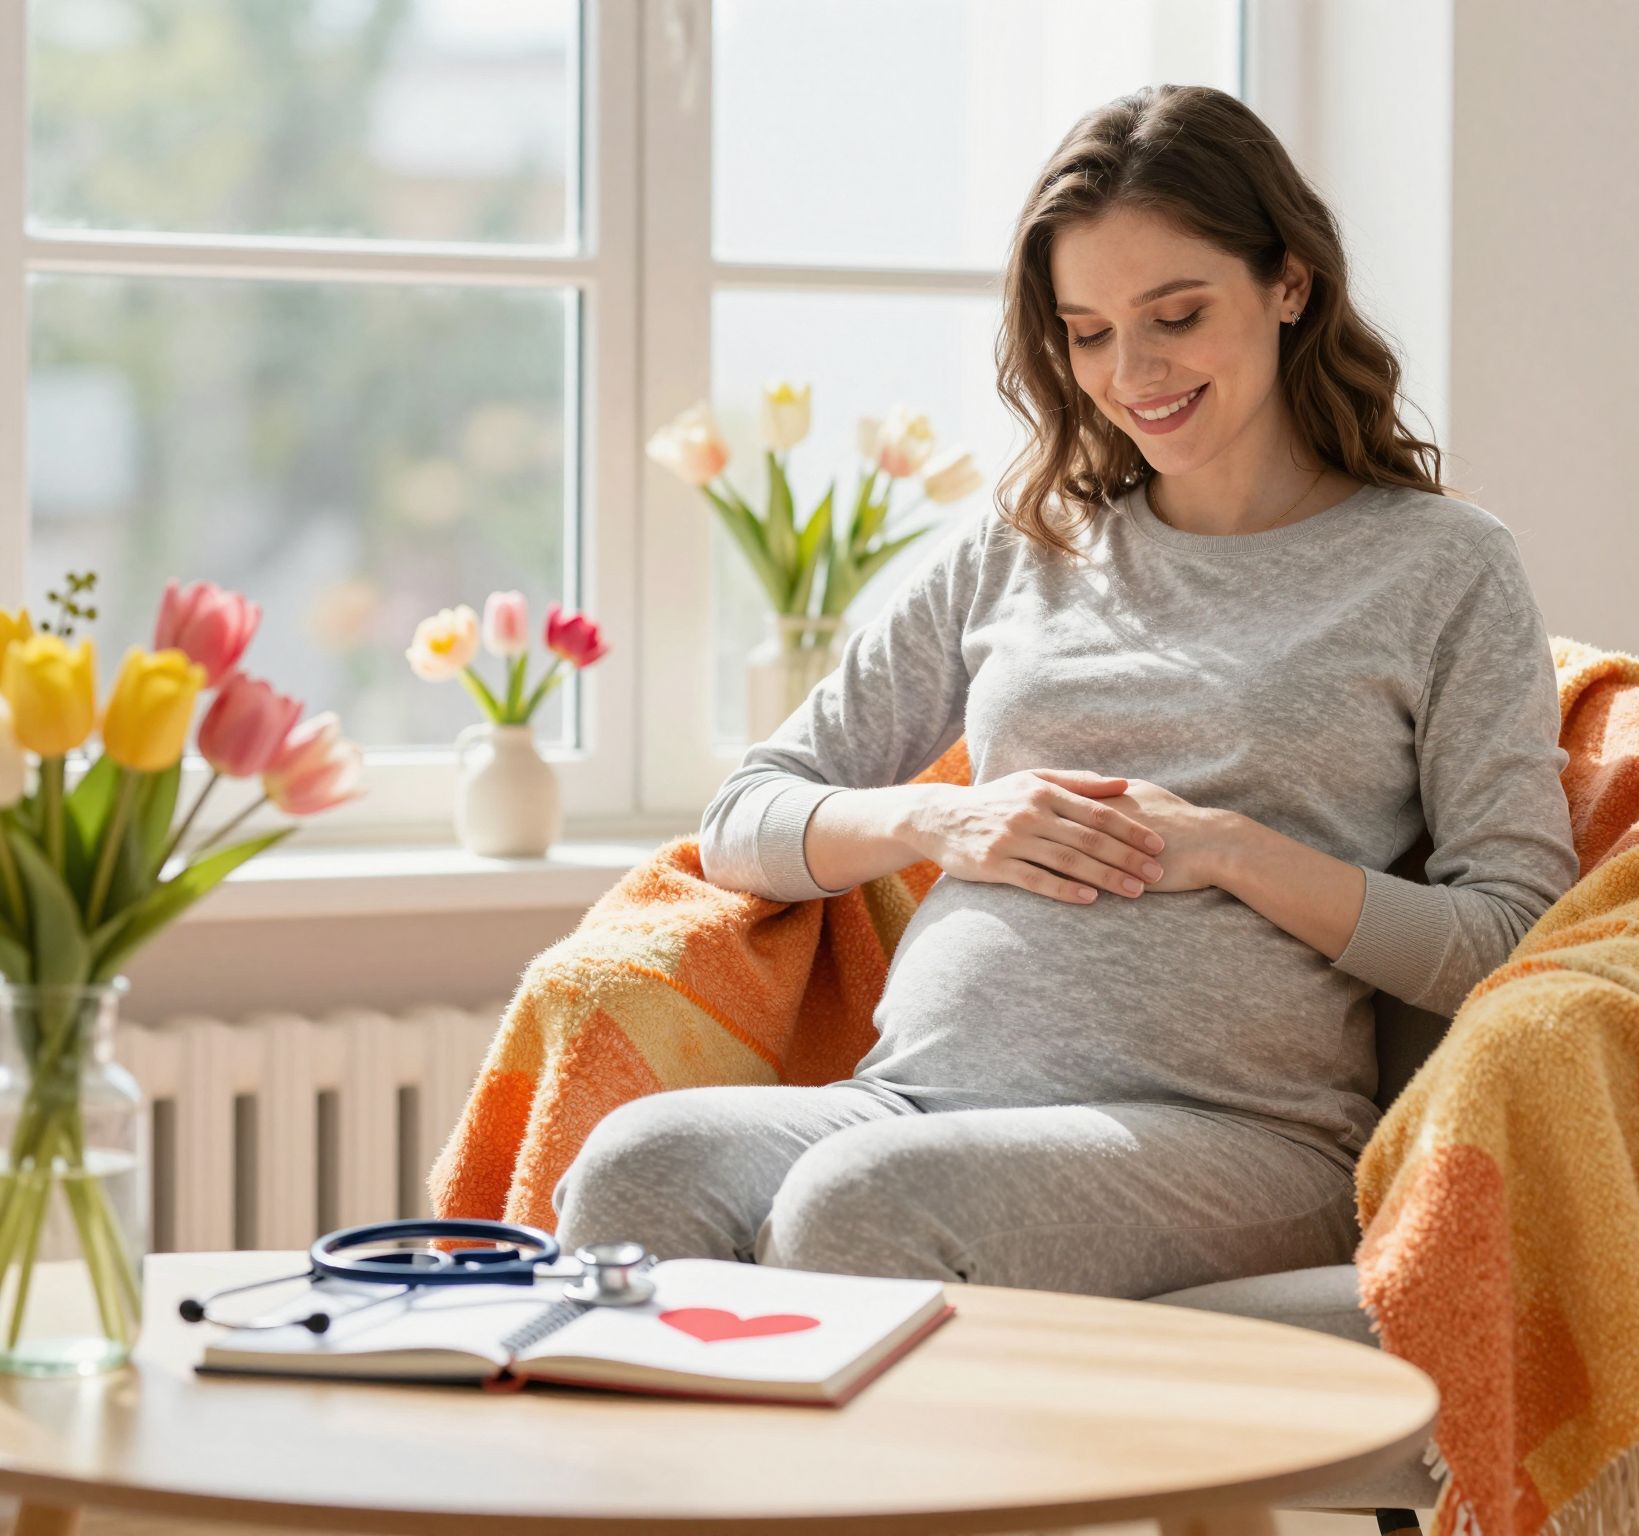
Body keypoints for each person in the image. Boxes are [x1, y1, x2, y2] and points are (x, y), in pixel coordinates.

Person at [553, 83, 1579, 1299]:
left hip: (1239, 1140)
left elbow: (1510, 934)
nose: (1130, 372)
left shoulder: (1439, 566)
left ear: (1289, 284)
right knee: (637, 1164)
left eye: (1175, 315)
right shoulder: (1023, 546)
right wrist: (940, 820)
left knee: (863, 1203)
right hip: (914, 1104)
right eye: (1086, 332)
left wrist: (1232, 849)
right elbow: (745, 820)